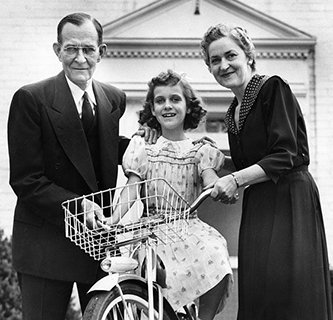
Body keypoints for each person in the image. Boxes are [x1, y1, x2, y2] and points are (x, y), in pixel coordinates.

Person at [200, 23, 333, 320]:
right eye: (214, 60)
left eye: (230, 55)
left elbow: (286, 152)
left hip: (289, 198)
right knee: (260, 292)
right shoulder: (234, 109)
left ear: (248, 54)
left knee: (288, 294)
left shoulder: (272, 87)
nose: (223, 65)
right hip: (260, 202)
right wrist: (212, 158)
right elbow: (249, 162)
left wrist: (235, 179)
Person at [7, 12, 132, 320]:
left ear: (101, 52)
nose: (80, 58)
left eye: (88, 49)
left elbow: (101, 150)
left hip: (97, 245)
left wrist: (151, 145)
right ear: (57, 50)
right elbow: (26, 180)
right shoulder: (31, 98)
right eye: (71, 49)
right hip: (45, 246)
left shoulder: (113, 98)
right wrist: (80, 206)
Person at [110, 70, 233, 320]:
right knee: (156, 283)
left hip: (188, 227)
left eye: (175, 99)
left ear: (188, 107)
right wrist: (113, 220)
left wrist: (217, 185)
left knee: (217, 251)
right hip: (152, 230)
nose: (168, 105)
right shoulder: (144, 148)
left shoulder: (200, 150)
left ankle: (204, 318)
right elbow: (132, 187)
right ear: (152, 110)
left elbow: (208, 175)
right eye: (160, 101)